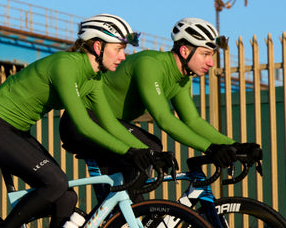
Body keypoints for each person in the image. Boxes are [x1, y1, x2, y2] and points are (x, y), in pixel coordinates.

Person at [0, 13, 154, 228]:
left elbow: (107, 121)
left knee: (66, 197)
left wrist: (144, 152)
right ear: (97, 46)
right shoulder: (66, 66)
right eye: (119, 47)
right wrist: (128, 152)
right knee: (56, 182)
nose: (124, 55)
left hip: (15, 131)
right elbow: (83, 123)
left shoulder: (93, 77)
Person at [60, 16, 261, 173]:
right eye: (205, 54)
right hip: (82, 123)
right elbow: (164, 119)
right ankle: (122, 224)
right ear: (184, 51)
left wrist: (234, 145)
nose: (210, 62)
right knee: (151, 148)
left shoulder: (182, 78)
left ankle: (118, 223)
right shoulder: (150, 64)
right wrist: (211, 149)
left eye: (212, 56)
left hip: (109, 126)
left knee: (145, 160)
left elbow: (192, 121)